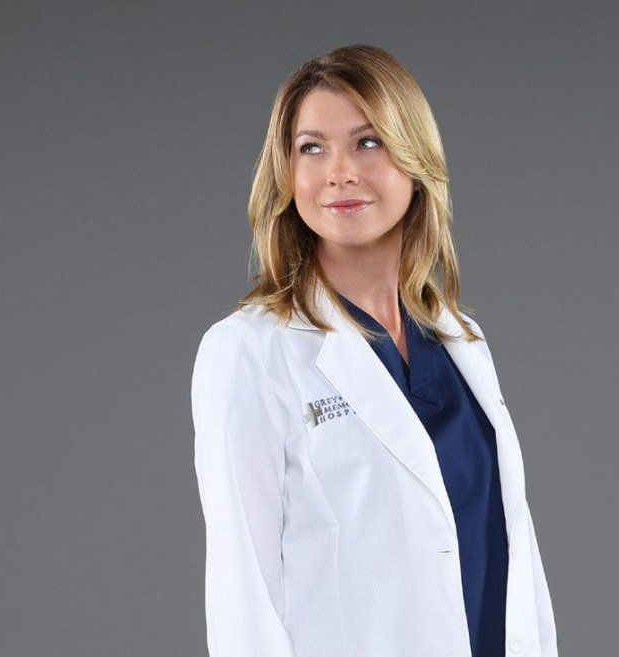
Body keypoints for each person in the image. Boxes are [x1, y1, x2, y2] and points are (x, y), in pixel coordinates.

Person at [190, 44, 558, 657]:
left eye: (368, 142)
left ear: (415, 160)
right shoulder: (247, 353)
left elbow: (512, 553)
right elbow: (241, 593)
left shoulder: (460, 339)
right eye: (312, 148)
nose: (339, 172)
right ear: (286, 172)